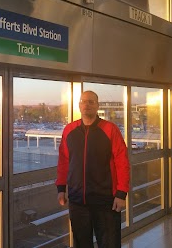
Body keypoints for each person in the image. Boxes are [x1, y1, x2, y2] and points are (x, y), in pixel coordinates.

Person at [56, 90, 130, 248]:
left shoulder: (110, 130)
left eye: (91, 102)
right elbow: (64, 161)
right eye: (83, 101)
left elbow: (122, 162)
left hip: (106, 202)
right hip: (77, 202)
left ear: (97, 106)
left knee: (110, 244)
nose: (87, 104)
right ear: (79, 106)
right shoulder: (69, 131)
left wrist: (121, 193)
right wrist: (61, 188)